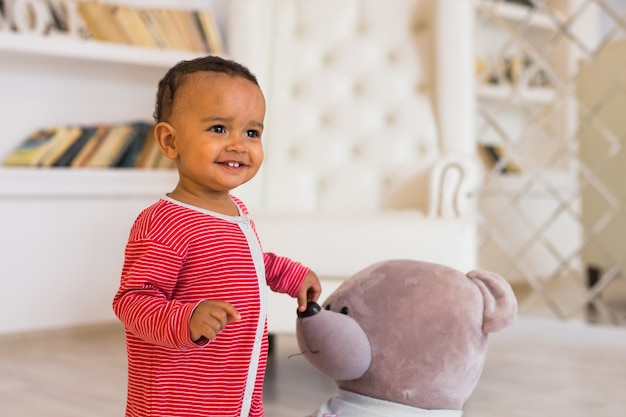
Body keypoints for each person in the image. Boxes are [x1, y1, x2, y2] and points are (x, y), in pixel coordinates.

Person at [112, 55, 322, 417]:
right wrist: (186, 319)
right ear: (170, 141)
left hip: (235, 387)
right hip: (177, 400)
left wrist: (289, 274)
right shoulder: (163, 223)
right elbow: (132, 301)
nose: (239, 144)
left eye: (252, 132)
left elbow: (245, 262)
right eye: (219, 129)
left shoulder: (235, 209)